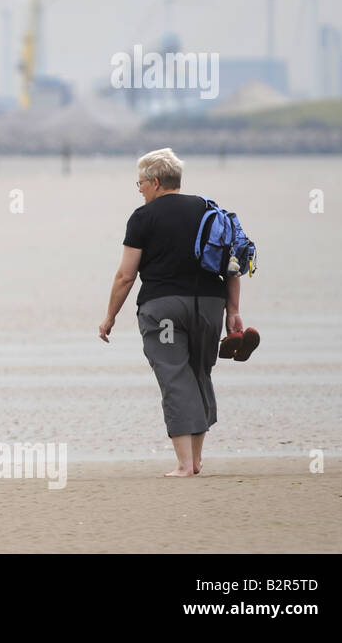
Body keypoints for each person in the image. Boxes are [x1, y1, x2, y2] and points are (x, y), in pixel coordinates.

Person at [98, 148, 241, 477]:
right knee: (199, 373)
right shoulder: (210, 210)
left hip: (162, 307)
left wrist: (110, 317)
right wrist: (233, 311)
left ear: (156, 182)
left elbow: (125, 275)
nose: (141, 190)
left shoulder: (143, 217)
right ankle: (196, 459)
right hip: (209, 304)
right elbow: (232, 265)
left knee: (175, 377)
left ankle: (184, 465)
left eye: (141, 183)